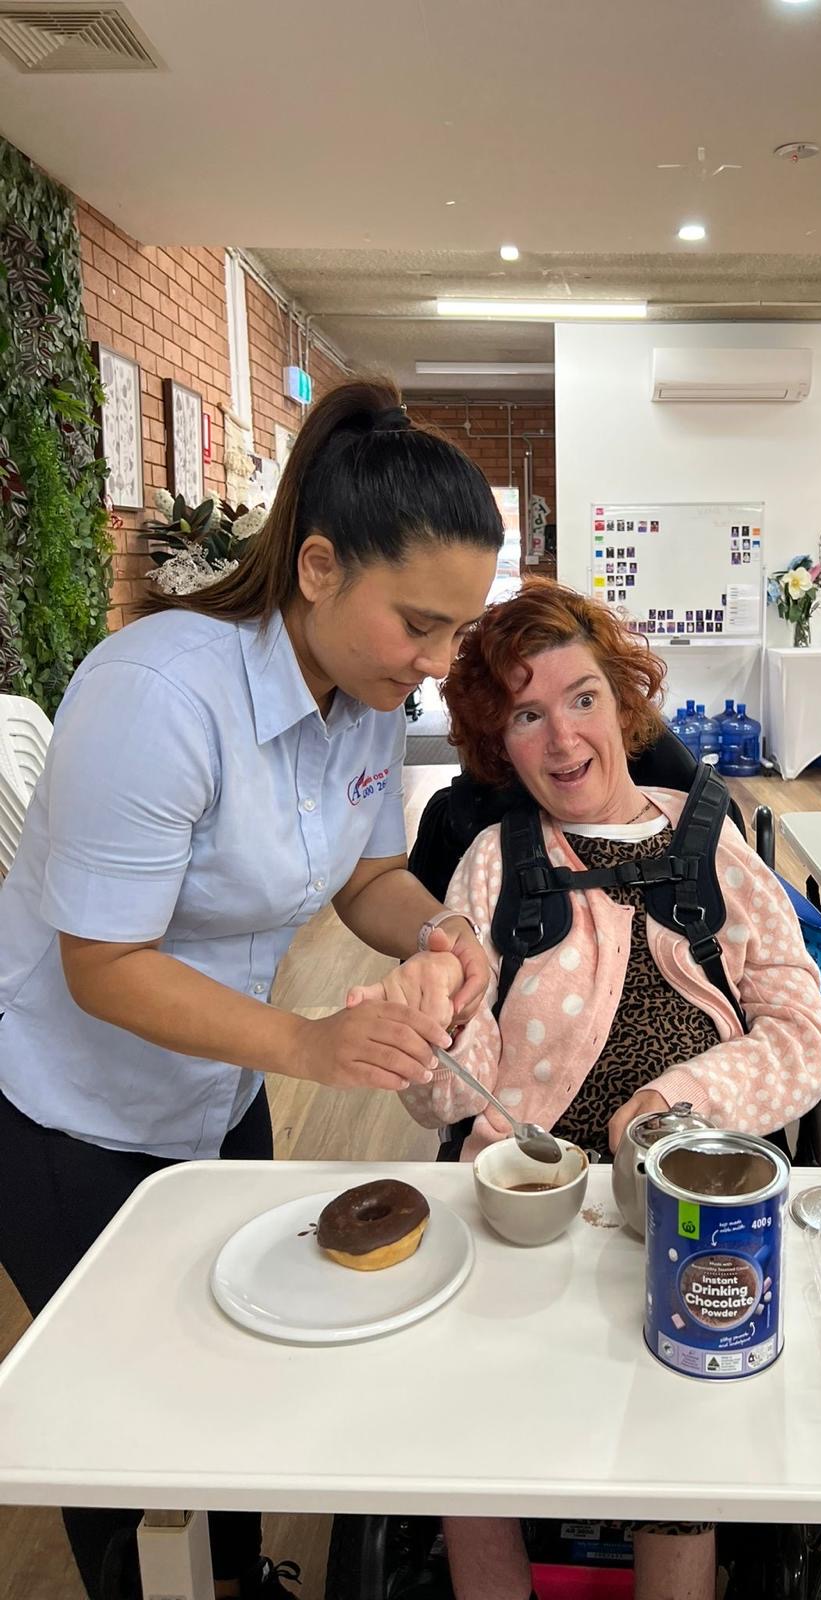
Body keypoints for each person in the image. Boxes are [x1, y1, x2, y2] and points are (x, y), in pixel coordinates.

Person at [0, 377, 503, 1600]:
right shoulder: (160, 693)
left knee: (221, 1361)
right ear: (320, 567)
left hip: (217, 1093)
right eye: (421, 626)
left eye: (458, 633)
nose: (439, 666)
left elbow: (368, 872)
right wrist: (313, 1045)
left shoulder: (364, 704)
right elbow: (101, 963)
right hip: (73, 1112)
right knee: (128, 1424)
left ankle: (231, 1576)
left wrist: (441, 927)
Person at [352, 578, 821, 1600]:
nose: (562, 737)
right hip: (528, 1208)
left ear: (624, 703)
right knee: (465, 1418)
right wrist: (425, 1039)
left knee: (687, 1429)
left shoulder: (720, 847)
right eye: (527, 713)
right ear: (500, 742)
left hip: (691, 1204)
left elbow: (803, 1035)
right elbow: (456, 1096)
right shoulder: (492, 862)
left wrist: (679, 1109)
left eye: (581, 698)